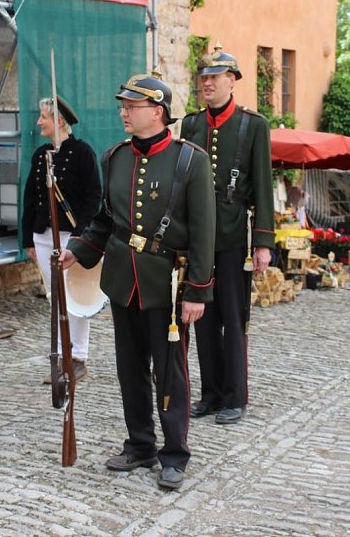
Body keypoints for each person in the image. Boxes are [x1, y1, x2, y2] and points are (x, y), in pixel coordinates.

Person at [60, 72, 215, 490]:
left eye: (132, 106)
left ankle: (174, 454)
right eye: (123, 105)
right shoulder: (115, 157)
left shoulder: (190, 160)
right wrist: (79, 249)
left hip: (167, 283)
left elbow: (204, 232)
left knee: (170, 373)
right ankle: (140, 445)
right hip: (123, 278)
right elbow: (107, 221)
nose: (123, 112)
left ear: (158, 112)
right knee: (130, 369)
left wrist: (197, 291)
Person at [180, 43, 275, 425]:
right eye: (204, 77)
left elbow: (265, 187)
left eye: (215, 77)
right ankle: (211, 393)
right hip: (198, 238)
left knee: (233, 319)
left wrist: (263, 242)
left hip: (235, 235)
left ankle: (236, 394)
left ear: (232, 81)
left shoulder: (254, 126)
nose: (207, 83)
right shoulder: (191, 125)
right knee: (203, 317)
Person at [21, 96, 102, 382]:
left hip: (72, 235)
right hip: (43, 234)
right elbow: (30, 196)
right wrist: (27, 238)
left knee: (73, 296)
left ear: (58, 121)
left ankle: (78, 357)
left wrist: (82, 234)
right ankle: (59, 354)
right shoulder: (41, 153)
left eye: (43, 116)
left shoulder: (82, 152)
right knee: (54, 295)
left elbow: (94, 196)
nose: (39, 121)